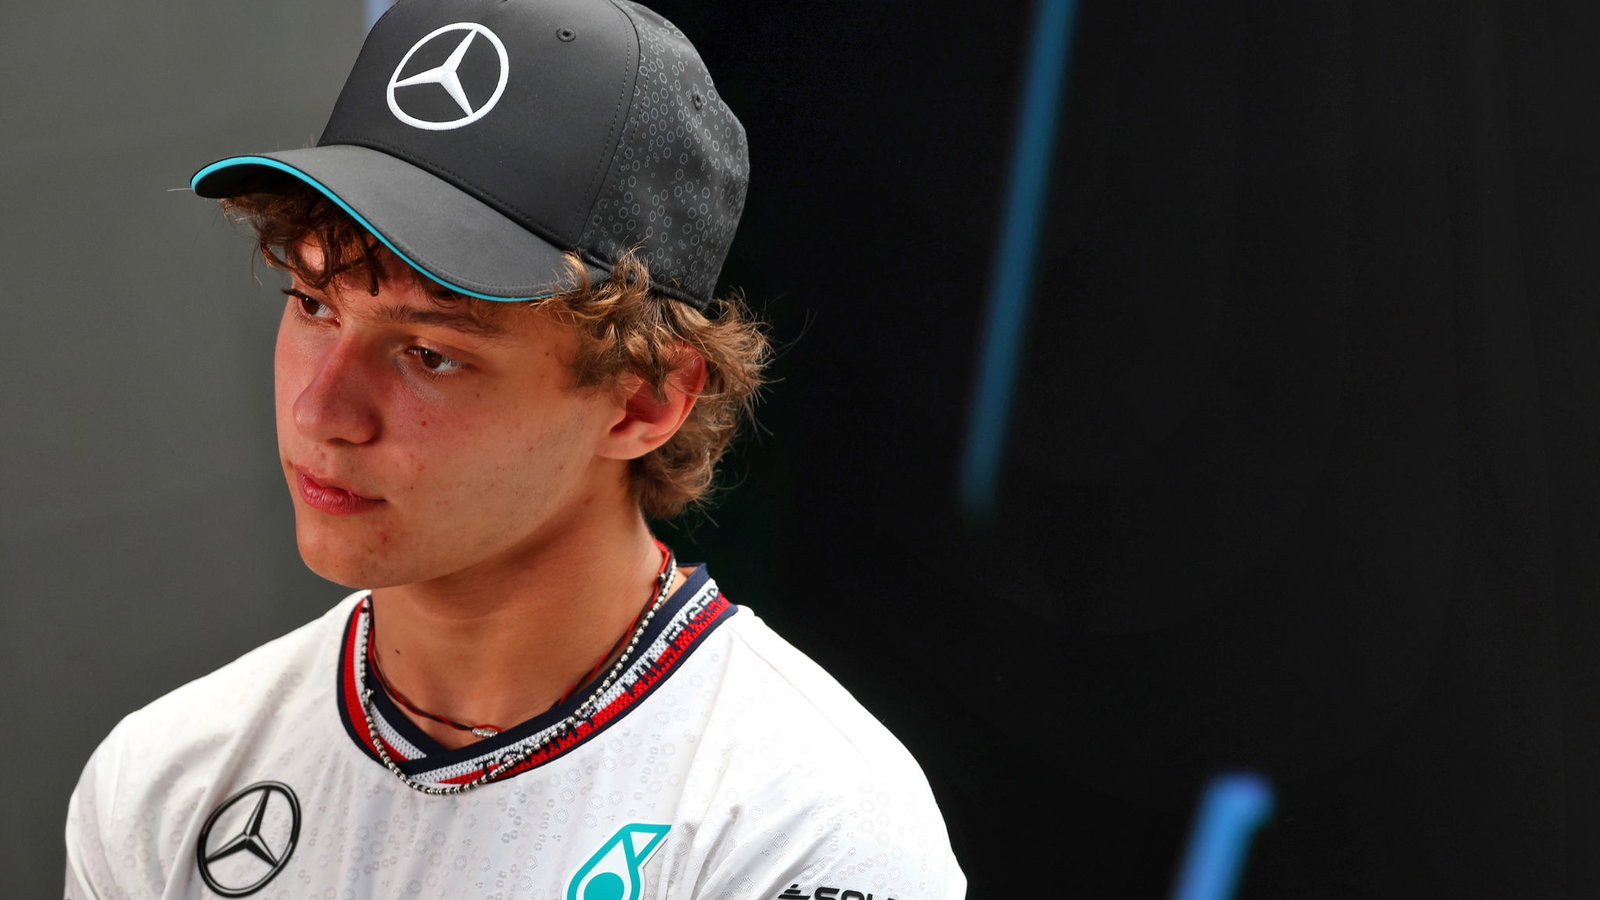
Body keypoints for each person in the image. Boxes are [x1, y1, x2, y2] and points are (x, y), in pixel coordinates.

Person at [62, 0, 964, 897]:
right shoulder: (163, 781)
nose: (320, 409)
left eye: (430, 353)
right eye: (312, 304)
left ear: (645, 399)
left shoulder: (808, 833)